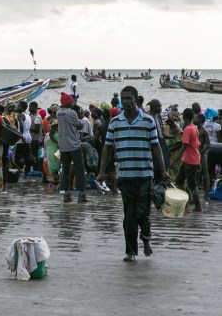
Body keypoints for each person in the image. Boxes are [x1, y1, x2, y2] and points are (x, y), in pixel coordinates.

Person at [98, 86, 167, 262]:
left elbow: (155, 146)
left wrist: (163, 169)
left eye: (129, 98)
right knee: (129, 214)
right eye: (123, 98)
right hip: (125, 176)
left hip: (145, 175)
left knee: (143, 212)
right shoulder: (115, 122)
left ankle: (146, 239)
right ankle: (130, 251)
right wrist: (101, 171)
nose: (126, 101)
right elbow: (107, 148)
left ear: (136, 100)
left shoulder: (148, 120)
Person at [57, 92, 88, 203]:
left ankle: (66, 194)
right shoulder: (72, 113)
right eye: (71, 101)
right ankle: (81, 195)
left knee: (65, 170)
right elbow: (80, 125)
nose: (73, 102)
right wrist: (80, 117)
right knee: (79, 169)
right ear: (67, 102)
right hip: (74, 145)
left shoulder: (58, 112)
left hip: (63, 146)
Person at [175, 108, 202, 212]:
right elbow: (197, 145)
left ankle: (198, 207)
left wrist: (176, 158)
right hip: (191, 158)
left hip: (190, 160)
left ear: (184, 117)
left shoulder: (187, 129)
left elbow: (184, 145)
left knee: (192, 184)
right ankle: (185, 205)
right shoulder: (194, 128)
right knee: (179, 180)